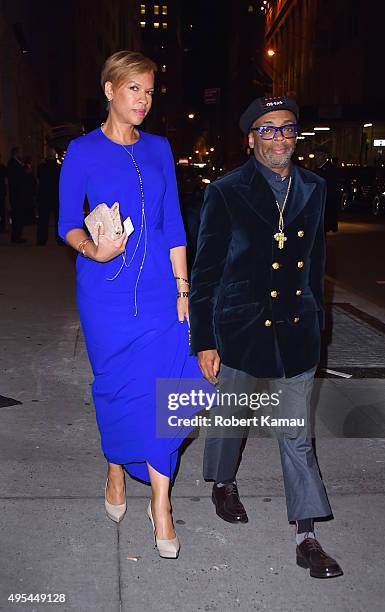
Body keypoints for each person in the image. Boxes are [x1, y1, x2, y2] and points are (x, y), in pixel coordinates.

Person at [189, 96, 343, 579]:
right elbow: (206, 270)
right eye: (268, 129)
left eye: (287, 129)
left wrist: (319, 323)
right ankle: (222, 481)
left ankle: (306, 535)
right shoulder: (226, 191)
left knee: (296, 435)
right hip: (240, 328)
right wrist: (204, 340)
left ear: (297, 135)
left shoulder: (316, 188)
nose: (279, 138)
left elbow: (317, 264)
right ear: (251, 138)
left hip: (296, 331)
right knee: (231, 418)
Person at [59, 51, 200, 559]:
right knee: (117, 390)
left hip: (162, 294)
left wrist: (184, 289)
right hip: (105, 293)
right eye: (133, 89)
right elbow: (65, 223)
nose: (143, 99)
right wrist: (92, 248)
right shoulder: (81, 151)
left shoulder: (161, 148)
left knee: (168, 389)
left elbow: (174, 227)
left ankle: (160, 504)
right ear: (109, 89)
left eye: (149, 90)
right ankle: (115, 467)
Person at [37, 147, 62, 245]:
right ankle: (59, 239)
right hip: (55, 196)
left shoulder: (41, 167)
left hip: (44, 196)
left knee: (43, 219)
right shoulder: (59, 168)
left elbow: (39, 179)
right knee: (58, 219)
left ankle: (41, 240)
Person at [7, 147, 26, 243]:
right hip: (16, 195)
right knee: (17, 216)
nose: (22, 155)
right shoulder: (13, 164)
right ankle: (15, 236)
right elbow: (16, 180)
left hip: (18, 194)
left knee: (19, 216)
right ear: (16, 153)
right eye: (20, 153)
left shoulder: (17, 163)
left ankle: (17, 235)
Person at [0, 153, 7, 232]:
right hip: (1, 191)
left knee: (2, 210)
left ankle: (2, 226)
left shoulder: (2, 167)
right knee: (2, 210)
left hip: (1, 191)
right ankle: (2, 227)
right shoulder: (2, 167)